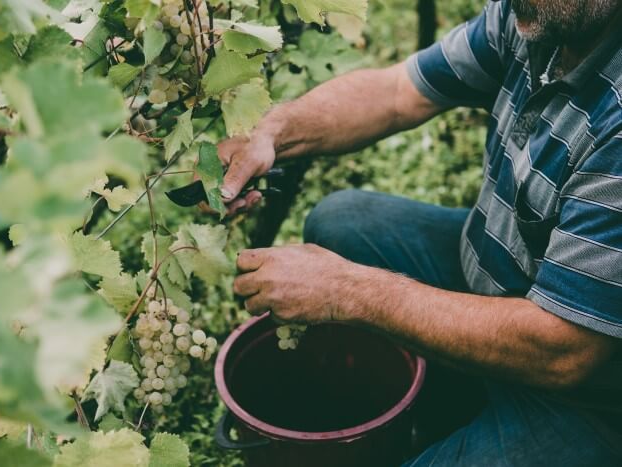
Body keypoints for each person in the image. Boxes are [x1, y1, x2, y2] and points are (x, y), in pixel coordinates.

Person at [219, 0, 622, 464]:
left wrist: (349, 290)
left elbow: (562, 350)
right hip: (503, 275)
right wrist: (273, 133)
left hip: (587, 398)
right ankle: (458, 402)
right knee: (343, 223)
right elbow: (397, 92)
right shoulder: (536, 18)